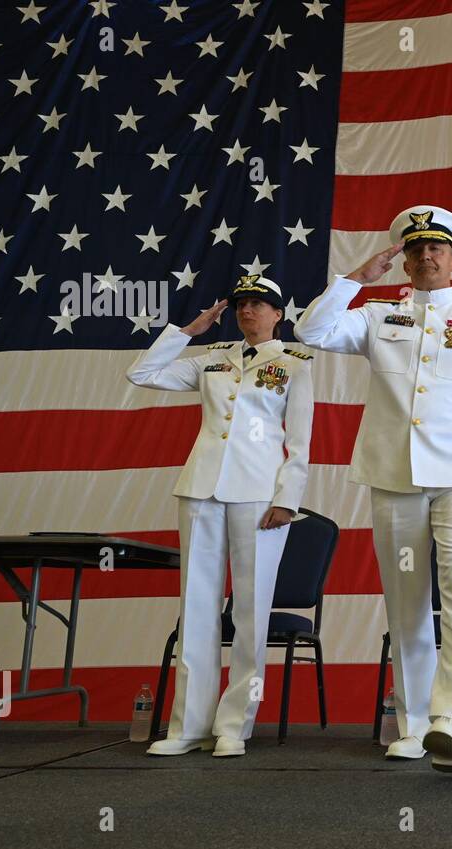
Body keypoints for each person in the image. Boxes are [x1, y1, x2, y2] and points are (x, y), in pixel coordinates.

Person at [294, 206, 452, 773]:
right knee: (407, 604)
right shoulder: (375, 317)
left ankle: (449, 716)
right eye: (416, 250)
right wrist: (353, 280)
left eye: (436, 250)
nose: (425, 257)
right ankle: (416, 724)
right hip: (394, 475)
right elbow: (310, 330)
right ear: (406, 261)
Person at [126, 274, 314, 758]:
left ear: (277, 314)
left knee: (250, 611)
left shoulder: (295, 362)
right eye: (242, 305)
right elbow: (142, 374)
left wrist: (288, 499)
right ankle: (187, 726)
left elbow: (301, 440)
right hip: (201, 490)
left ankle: (234, 724)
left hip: (258, 493)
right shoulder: (214, 358)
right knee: (197, 606)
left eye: (259, 305)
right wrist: (187, 331)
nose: (248, 312)